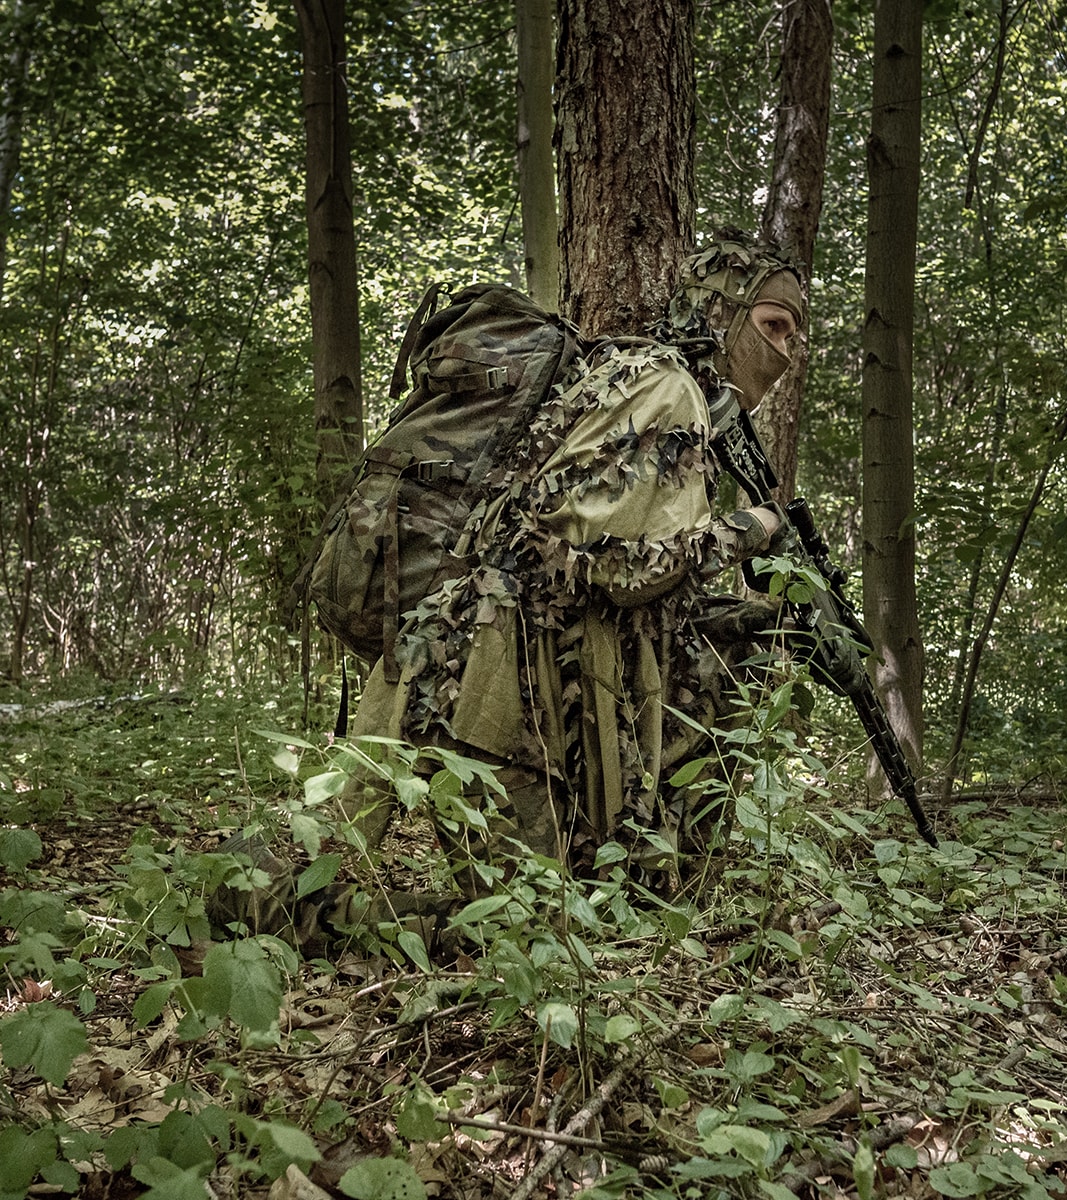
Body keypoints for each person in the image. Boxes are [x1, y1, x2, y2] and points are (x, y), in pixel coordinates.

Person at [206, 231, 806, 952]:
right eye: (775, 325)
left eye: (798, 332)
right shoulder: (668, 389)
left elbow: (616, 564)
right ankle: (249, 905)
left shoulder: (639, 380)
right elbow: (601, 562)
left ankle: (254, 889)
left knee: (553, 919)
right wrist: (752, 528)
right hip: (494, 678)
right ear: (723, 313)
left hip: (488, 665)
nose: (788, 348)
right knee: (529, 936)